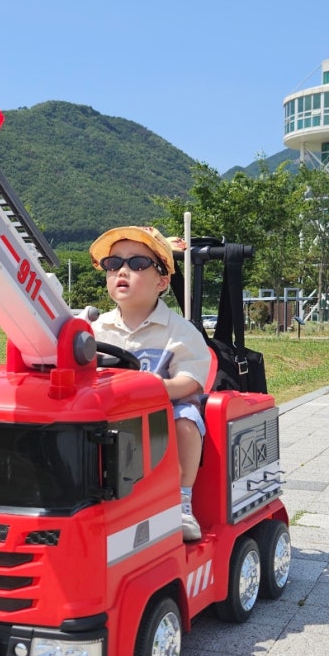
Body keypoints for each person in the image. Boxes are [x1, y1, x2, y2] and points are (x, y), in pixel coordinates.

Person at [88, 226, 212, 541]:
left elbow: (191, 380)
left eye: (138, 263)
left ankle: (182, 499)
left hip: (163, 413)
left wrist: (157, 389)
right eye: (113, 264)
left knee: (187, 419)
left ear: (162, 281)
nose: (122, 271)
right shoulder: (96, 329)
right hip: (111, 412)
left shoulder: (180, 331)